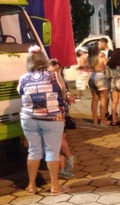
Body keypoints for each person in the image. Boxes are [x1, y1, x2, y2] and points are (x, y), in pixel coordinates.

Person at [18, 45, 70, 195]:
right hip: (52, 118)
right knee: (52, 151)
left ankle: (31, 186)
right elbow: (63, 90)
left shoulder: (23, 78)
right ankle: (55, 187)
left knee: (33, 151)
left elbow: (20, 92)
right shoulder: (53, 75)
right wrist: (57, 72)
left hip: (28, 118)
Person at [105, 48, 120, 127]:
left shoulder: (109, 64)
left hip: (113, 82)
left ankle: (114, 120)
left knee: (114, 102)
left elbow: (107, 76)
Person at [87, 43, 110, 126]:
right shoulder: (101, 56)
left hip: (92, 76)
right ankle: (103, 120)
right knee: (104, 99)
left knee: (94, 99)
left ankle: (95, 119)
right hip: (101, 76)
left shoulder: (89, 57)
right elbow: (107, 65)